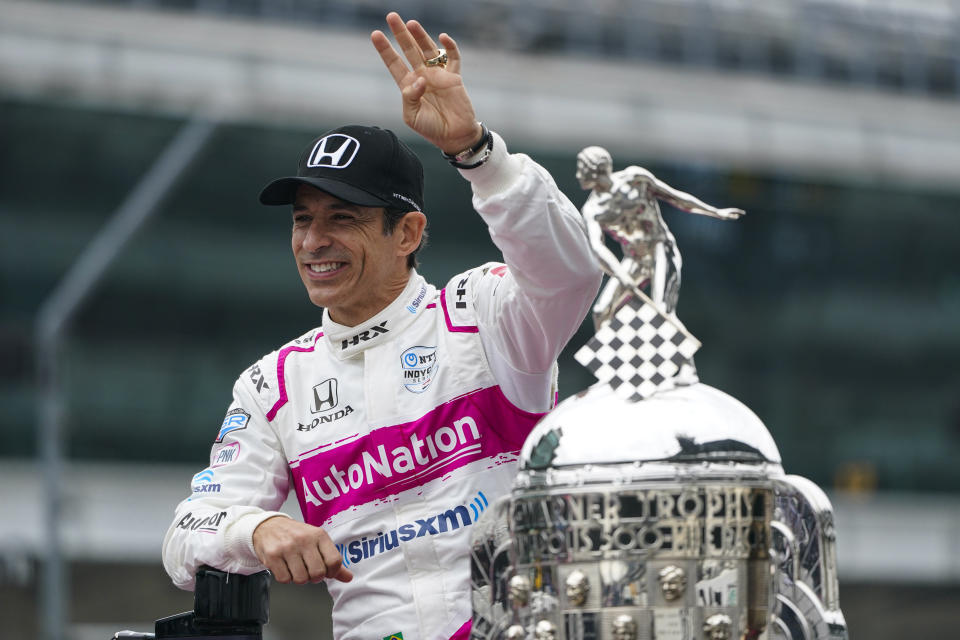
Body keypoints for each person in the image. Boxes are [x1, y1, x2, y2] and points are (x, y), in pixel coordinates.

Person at [161, 12, 601, 640]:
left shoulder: (482, 314)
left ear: (409, 233)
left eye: (343, 218)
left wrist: (477, 153)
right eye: (302, 219)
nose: (314, 241)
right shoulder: (273, 384)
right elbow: (188, 531)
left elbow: (570, 271)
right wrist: (256, 528)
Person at [575, 146, 743, 326]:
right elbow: (597, 248)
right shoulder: (592, 209)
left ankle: (679, 352)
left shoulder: (634, 179)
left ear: (595, 168)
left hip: (660, 247)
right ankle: (609, 353)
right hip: (634, 258)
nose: (578, 176)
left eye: (581, 169)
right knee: (601, 312)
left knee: (663, 312)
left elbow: (675, 197)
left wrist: (715, 212)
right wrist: (621, 274)